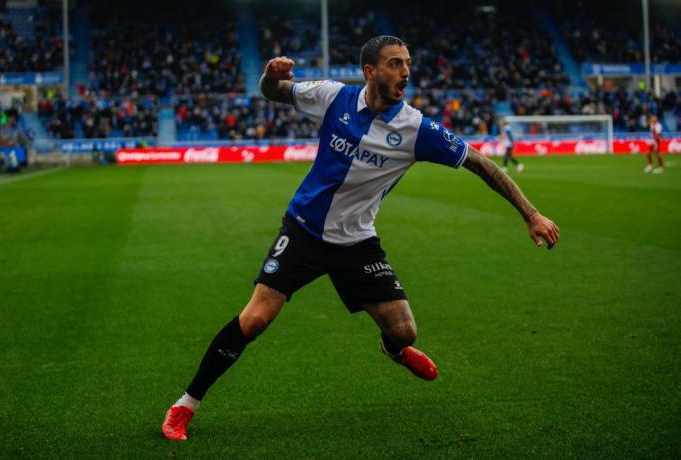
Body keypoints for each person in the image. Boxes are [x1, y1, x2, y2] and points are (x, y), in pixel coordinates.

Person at [161, 36, 560, 441]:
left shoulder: (416, 128)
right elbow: (272, 92)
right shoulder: (332, 96)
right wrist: (270, 75)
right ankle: (185, 405)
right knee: (256, 318)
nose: (405, 72)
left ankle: (393, 351)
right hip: (304, 231)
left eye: (407, 63)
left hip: (357, 243)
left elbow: (480, 162)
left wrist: (531, 213)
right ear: (370, 71)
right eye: (394, 64)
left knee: (405, 332)